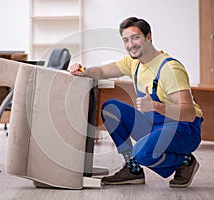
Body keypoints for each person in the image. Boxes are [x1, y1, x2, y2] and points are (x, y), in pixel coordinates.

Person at [70, 17, 203, 188]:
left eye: (135, 37)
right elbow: (102, 71)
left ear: (148, 37)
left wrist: (155, 106)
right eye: (125, 40)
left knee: (142, 152)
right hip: (156, 124)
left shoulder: (170, 69)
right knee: (111, 108)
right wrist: (83, 71)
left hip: (183, 128)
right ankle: (133, 170)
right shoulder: (134, 63)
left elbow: (189, 113)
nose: (130, 44)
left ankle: (186, 161)